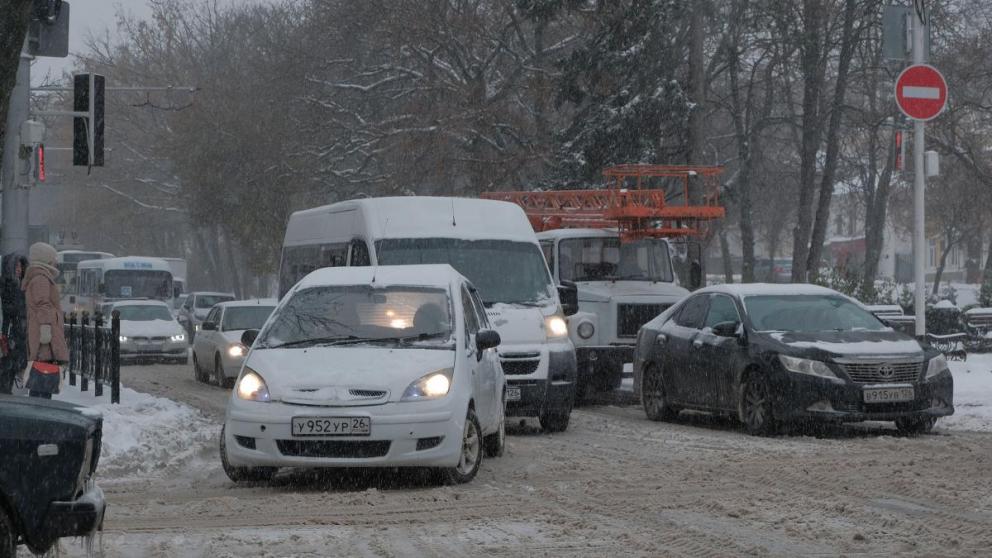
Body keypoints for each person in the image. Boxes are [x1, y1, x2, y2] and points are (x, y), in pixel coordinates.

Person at [23, 242, 69, 399]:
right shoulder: (41, 278)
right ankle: (40, 412)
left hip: (44, 330)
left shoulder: (40, 276)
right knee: (44, 372)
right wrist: (46, 329)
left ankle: (38, 407)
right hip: (45, 334)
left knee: (42, 373)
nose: (56, 261)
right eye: (53, 258)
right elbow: (43, 304)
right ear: (45, 259)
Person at [0, 252, 28, 394]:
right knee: (7, 365)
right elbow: (7, 310)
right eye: (16, 266)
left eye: (20, 266)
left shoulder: (20, 285)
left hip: (16, 333)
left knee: (11, 365)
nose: (19, 269)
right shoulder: (7, 285)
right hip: (8, 333)